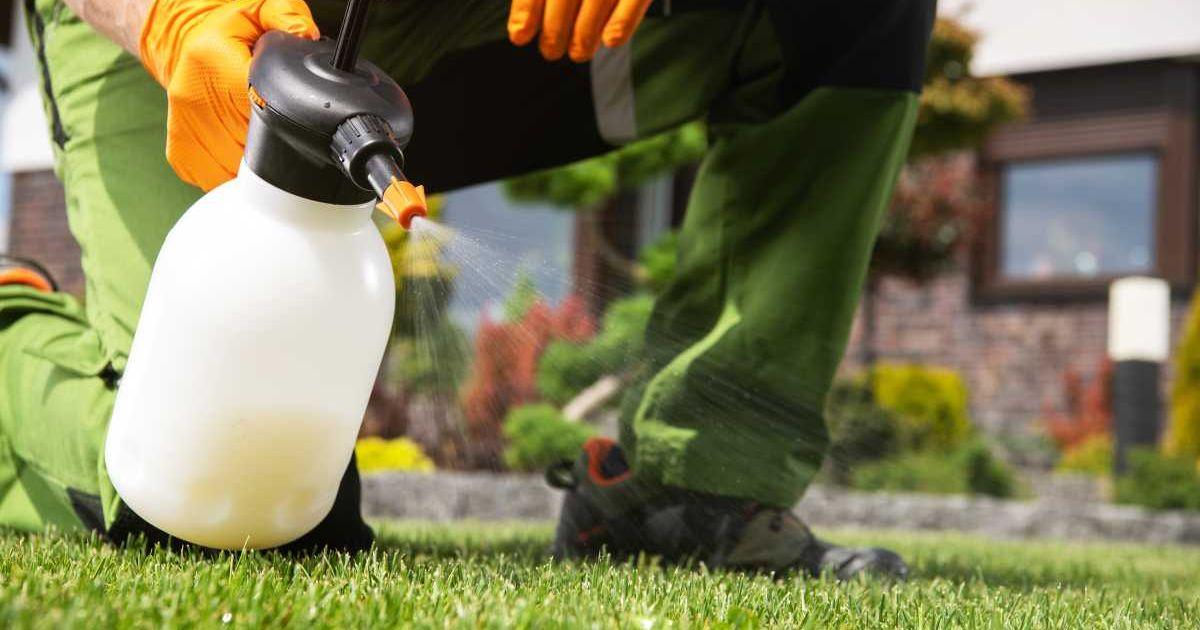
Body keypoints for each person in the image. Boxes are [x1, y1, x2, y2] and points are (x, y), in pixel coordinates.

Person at [0, 0, 933, 577]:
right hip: (204, 31)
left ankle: (698, 489)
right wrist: (166, 15)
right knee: (210, 505)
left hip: (500, 28)